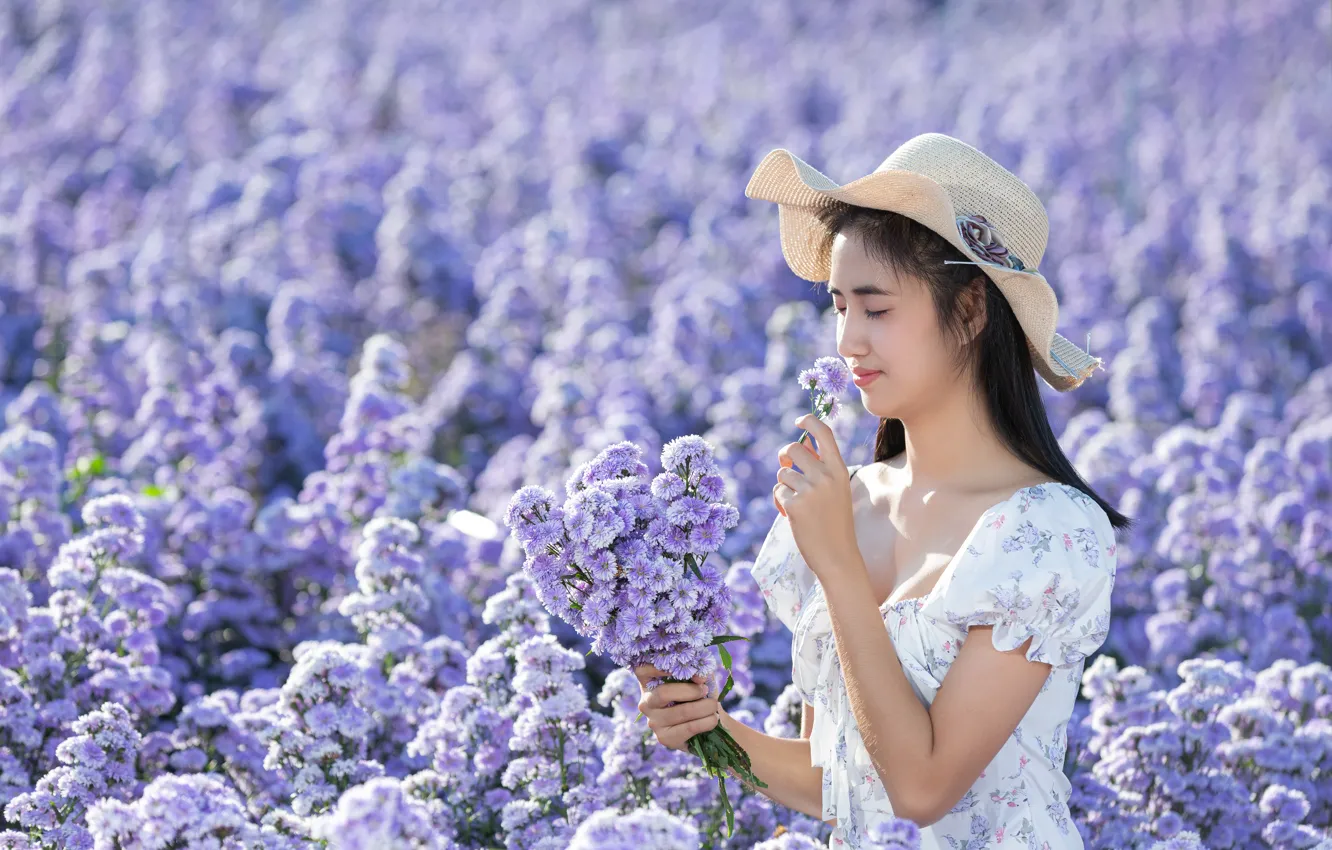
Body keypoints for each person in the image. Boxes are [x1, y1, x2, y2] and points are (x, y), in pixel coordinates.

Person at [634, 133, 1134, 849]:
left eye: (877, 308)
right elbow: (832, 776)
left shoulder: (1051, 531)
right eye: (839, 306)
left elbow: (921, 790)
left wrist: (838, 564)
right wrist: (710, 731)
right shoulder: (851, 501)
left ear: (970, 312)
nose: (846, 341)